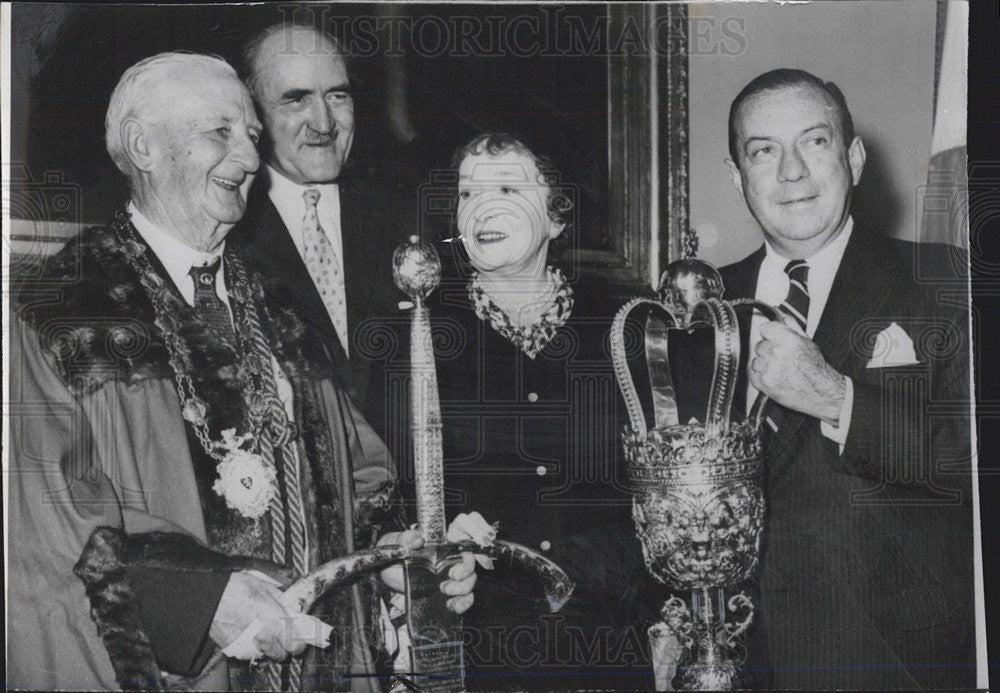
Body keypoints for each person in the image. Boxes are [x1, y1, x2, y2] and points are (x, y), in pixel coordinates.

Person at [7, 52, 477, 692]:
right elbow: (45, 543)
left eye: (252, 136)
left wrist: (391, 554)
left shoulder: (276, 305)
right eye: (220, 132)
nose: (253, 159)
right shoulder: (62, 313)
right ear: (144, 146)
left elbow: (352, 474)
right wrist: (197, 602)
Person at [718, 68, 974, 689]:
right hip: (739, 663)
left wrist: (839, 399)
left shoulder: (950, 281)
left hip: (892, 662)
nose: (791, 172)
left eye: (815, 141)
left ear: (855, 158)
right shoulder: (700, 309)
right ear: (738, 178)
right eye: (763, 151)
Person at [386, 133, 658, 690]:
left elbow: (661, 493)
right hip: (479, 647)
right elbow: (387, 499)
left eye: (508, 187)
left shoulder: (622, 326)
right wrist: (430, 538)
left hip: (609, 638)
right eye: (468, 194)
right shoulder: (417, 337)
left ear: (557, 217)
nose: (484, 207)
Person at [231, 22, 406, 434]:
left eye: (337, 95)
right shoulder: (228, 232)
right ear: (252, 114)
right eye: (296, 100)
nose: (324, 122)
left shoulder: (407, 219)